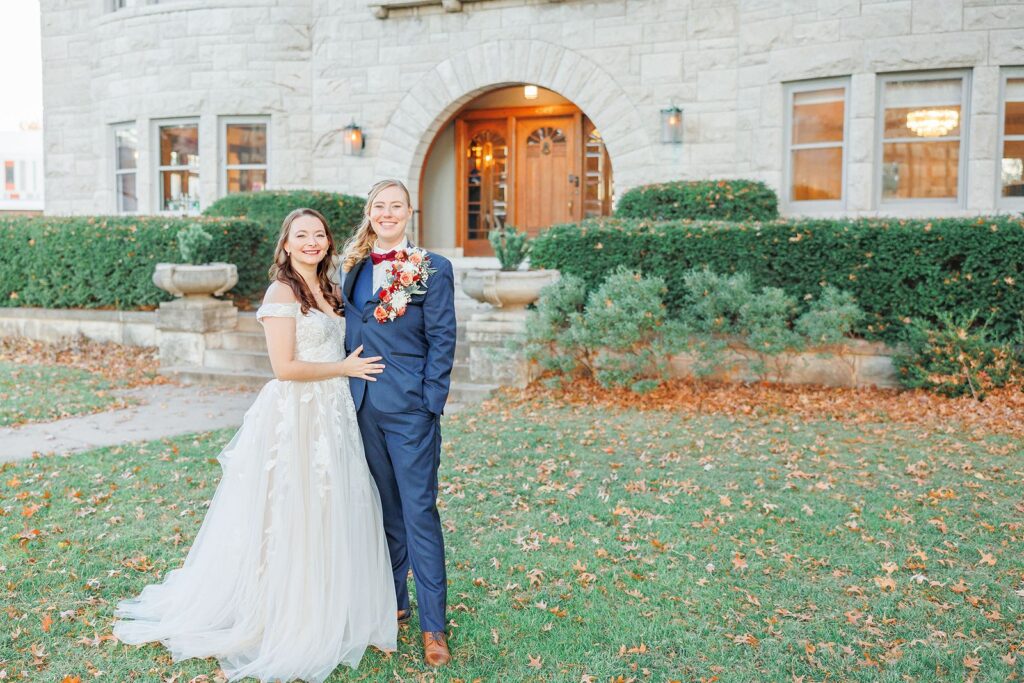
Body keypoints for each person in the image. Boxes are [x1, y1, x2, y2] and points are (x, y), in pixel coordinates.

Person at [113, 208, 397, 682]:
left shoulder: (329, 289)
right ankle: (281, 611)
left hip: (334, 414)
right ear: (285, 245)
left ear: (328, 242)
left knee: (330, 506)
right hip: (299, 413)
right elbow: (284, 367)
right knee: (291, 509)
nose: (312, 242)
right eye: (301, 236)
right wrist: (343, 369)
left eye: (319, 235)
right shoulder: (281, 292)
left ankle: (329, 602)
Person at [340, 179, 457, 667]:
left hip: (410, 410)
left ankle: (434, 626)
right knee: (386, 514)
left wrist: (429, 403)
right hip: (362, 407)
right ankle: (394, 606)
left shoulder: (433, 268)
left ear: (411, 211)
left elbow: (443, 338)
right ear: (369, 213)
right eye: (378, 206)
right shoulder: (352, 268)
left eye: (396, 206)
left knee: (419, 515)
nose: (387, 214)